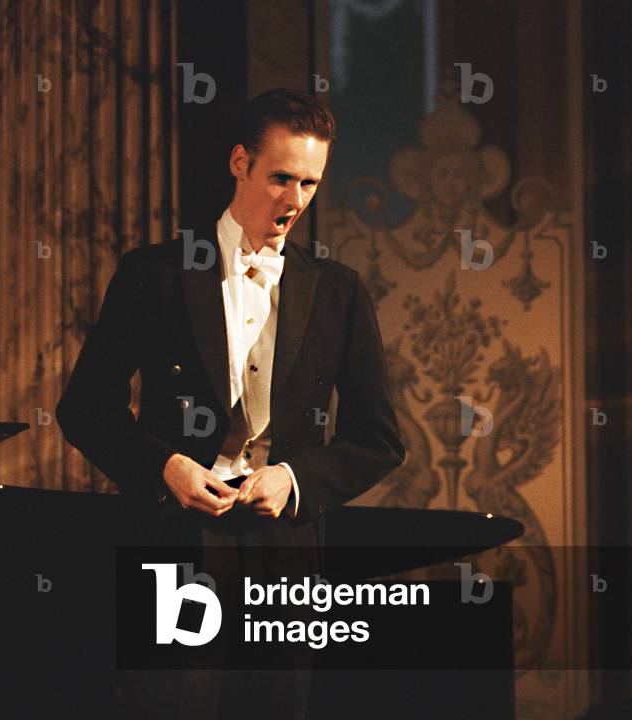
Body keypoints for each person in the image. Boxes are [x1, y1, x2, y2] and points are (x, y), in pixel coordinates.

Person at [56, 88, 405, 719]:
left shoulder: (339, 292)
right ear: (239, 163)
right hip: (172, 535)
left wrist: (295, 478)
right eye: (280, 178)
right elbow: (85, 408)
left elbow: (379, 438)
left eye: (309, 183)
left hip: (286, 547)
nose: (295, 201)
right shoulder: (154, 274)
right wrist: (165, 467)